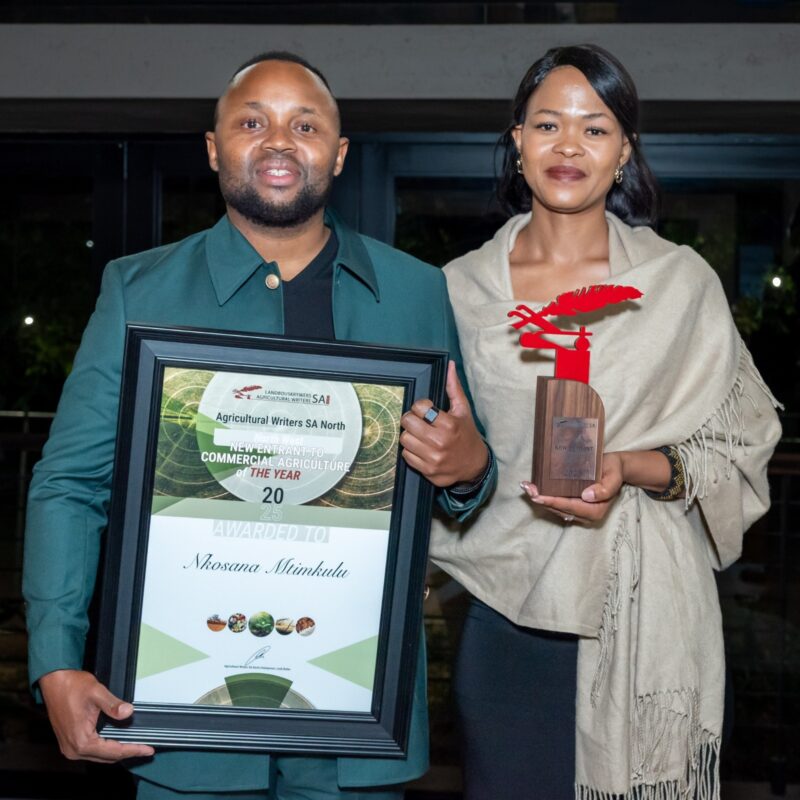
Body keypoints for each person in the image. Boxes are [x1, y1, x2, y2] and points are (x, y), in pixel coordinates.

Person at [22, 52, 495, 800]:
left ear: (337, 155)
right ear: (214, 149)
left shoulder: (415, 292)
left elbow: (458, 477)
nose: (279, 141)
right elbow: (69, 487)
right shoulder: (138, 291)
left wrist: (469, 467)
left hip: (355, 731)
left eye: (304, 124)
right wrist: (56, 661)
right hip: (180, 730)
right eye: (252, 122)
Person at [429, 44, 782, 800]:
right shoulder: (457, 293)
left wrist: (630, 466)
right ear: (517, 140)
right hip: (504, 613)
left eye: (595, 129)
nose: (568, 146)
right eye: (548, 124)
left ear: (624, 152)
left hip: (647, 614)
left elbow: (740, 441)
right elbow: (443, 455)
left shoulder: (678, 283)